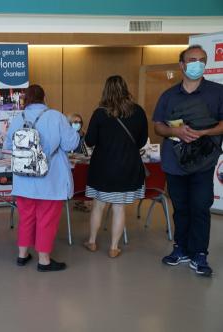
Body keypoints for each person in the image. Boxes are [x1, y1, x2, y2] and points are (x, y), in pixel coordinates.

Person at [153, 45, 223, 277]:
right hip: (174, 162)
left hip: (204, 162)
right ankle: (180, 248)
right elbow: (158, 126)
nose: (198, 64)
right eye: (192, 60)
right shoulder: (168, 95)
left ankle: (200, 254)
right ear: (182, 65)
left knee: (201, 208)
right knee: (181, 208)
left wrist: (204, 133)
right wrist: (178, 132)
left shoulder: (217, 92)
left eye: (202, 60)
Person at [3, 84, 79, 272]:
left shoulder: (17, 118)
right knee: (46, 218)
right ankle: (44, 260)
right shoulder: (56, 117)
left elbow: (7, 147)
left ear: (25, 99)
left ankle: (22, 255)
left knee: (26, 217)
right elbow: (72, 143)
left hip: (23, 180)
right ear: (44, 98)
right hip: (50, 180)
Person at [84, 75, 148, 258]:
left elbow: (89, 141)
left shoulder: (100, 113)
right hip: (128, 167)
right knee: (119, 207)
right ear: (126, 89)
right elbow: (142, 142)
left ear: (106, 91)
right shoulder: (138, 112)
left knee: (98, 206)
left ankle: (92, 241)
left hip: (102, 168)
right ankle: (113, 247)